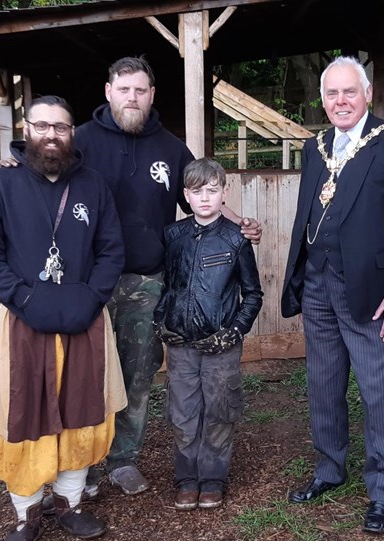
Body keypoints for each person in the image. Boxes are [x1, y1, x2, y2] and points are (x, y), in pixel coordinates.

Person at [71, 56, 261, 496]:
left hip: (146, 281)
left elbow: (200, 190)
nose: (132, 98)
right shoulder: (81, 141)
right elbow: (42, 173)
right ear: (108, 92)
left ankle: (122, 460)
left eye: (140, 90)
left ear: (152, 95)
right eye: (124, 89)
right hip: (89, 283)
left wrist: (240, 225)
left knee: (138, 375)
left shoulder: (170, 148)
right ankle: (86, 465)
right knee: (90, 375)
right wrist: (11, 168)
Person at [0, 95, 126, 541]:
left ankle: (70, 504)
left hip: (85, 321)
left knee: (83, 414)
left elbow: (112, 248)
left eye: (60, 126)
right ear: (27, 130)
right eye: (42, 126)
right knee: (23, 416)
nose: (51, 135)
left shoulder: (93, 186)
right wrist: (22, 298)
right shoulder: (1, 186)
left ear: (71, 132)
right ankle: (27, 515)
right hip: (24, 324)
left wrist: (92, 298)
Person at [280, 56, 384, 534]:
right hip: (319, 284)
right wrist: (301, 278)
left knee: (379, 390)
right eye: (331, 94)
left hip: (373, 291)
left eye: (349, 92)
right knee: (323, 384)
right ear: (322, 99)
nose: (340, 101)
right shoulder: (315, 146)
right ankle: (329, 469)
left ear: (366, 94)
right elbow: (308, 213)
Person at [152, 158, 264, 511]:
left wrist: (234, 331)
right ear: (186, 195)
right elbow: (167, 285)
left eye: (212, 191)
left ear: (224, 193)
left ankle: (213, 477)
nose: (205, 198)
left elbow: (254, 294)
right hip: (181, 346)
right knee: (183, 412)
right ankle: (187, 478)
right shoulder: (173, 236)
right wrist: (161, 320)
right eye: (197, 192)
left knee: (219, 410)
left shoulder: (236, 239)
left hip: (220, 347)